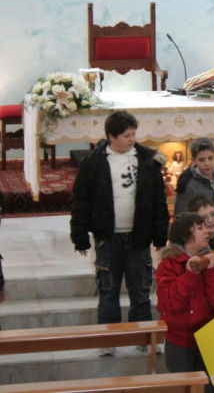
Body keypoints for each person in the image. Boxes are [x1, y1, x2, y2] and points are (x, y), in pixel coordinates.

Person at [70, 110, 169, 356]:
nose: (133, 139)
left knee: (141, 291)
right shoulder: (93, 162)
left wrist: (159, 236)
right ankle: (108, 340)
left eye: (134, 134)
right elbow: (81, 202)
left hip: (138, 238)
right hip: (107, 237)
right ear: (111, 137)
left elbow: (158, 200)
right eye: (127, 135)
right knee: (108, 292)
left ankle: (143, 339)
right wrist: (80, 236)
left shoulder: (148, 160)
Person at [155, 213, 214, 393]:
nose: (207, 231)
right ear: (185, 235)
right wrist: (190, 274)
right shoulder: (169, 265)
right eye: (199, 228)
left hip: (212, 338)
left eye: (205, 227)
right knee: (184, 388)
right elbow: (171, 303)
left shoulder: (213, 260)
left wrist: (212, 271)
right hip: (181, 340)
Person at [174, 138, 214, 216]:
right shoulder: (187, 184)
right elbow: (181, 215)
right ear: (194, 161)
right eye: (201, 160)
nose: (207, 163)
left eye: (210, 158)